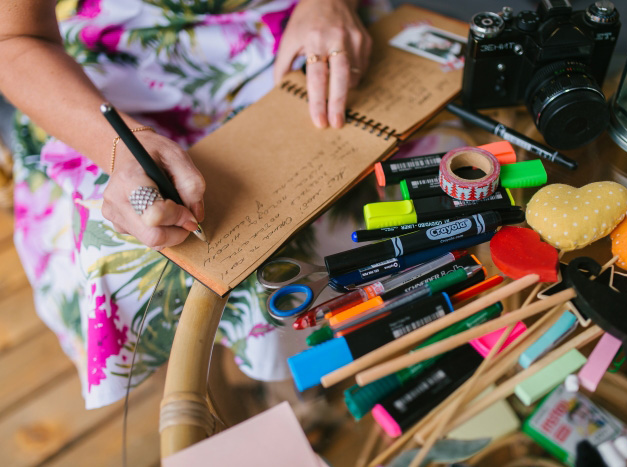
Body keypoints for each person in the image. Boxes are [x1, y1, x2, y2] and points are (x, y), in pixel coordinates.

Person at [0, 0, 391, 409]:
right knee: (140, 256)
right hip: (107, 71)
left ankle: (303, 377)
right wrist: (117, 148)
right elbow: (15, 38)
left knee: (381, 187)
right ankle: (210, 403)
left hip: (296, 34)